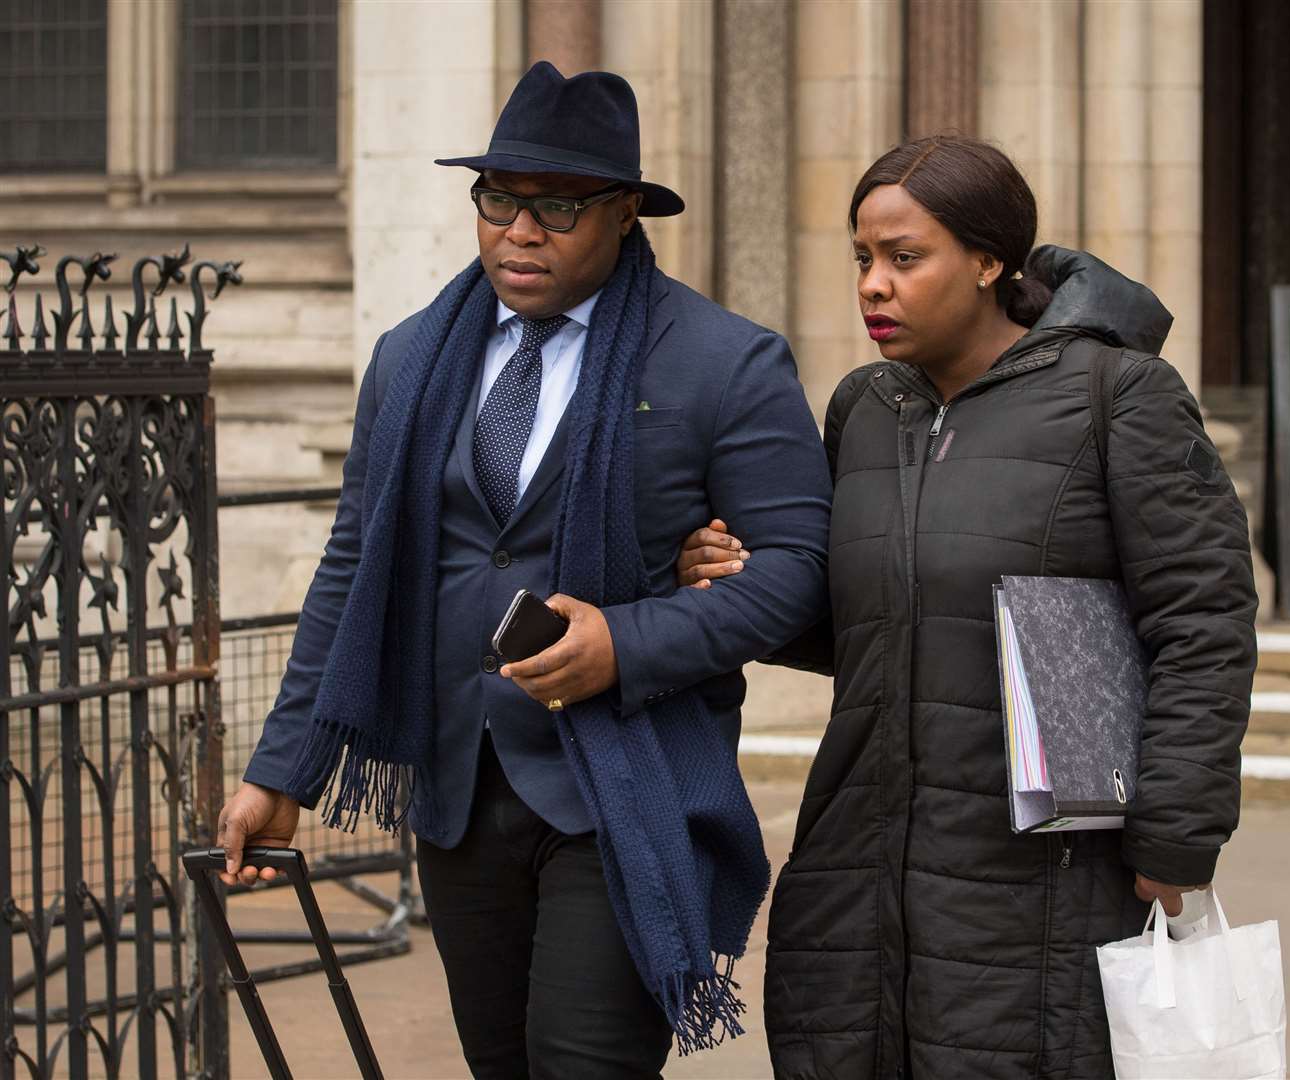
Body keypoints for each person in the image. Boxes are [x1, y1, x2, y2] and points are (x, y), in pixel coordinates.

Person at [217, 61, 831, 1078]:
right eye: (498, 199)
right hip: (457, 786)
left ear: (625, 213)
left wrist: (622, 643)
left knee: (582, 1063)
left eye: (556, 207)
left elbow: (795, 574)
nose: (519, 231)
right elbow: (351, 569)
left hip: (623, 786)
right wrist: (283, 769)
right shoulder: (412, 358)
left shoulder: (724, 362)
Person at [680, 136, 1258, 1078]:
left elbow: (1203, 621)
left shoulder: (1119, 397)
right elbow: (860, 627)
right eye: (863, 259)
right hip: (857, 869)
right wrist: (741, 578)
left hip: (1044, 881)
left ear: (990, 262)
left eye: (905, 259)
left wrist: (1180, 834)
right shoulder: (864, 408)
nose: (874, 284)